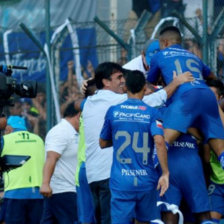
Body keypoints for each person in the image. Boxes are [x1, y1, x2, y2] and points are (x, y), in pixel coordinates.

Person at [82, 61, 193, 224]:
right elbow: (154, 100)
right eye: (119, 77)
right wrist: (176, 82)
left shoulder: (89, 103)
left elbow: (103, 142)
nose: (122, 81)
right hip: (115, 176)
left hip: (93, 175)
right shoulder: (120, 104)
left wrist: (90, 81)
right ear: (106, 81)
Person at [147, 26, 224, 169]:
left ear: (164, 42)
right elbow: (211, 76)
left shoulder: (160, 55)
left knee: (163, 143)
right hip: (207, 94)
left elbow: (150, 83)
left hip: (186, 96)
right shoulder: (193, 56)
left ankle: (154, 174)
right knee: (221, 152)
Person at [99, 70, 169, 224]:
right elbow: (159, 141)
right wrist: (165, 173)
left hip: (121, 180)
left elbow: (102, 143)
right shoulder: (152, 113)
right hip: (146, 179)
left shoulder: (114, 111)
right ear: (145, 87)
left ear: (125, 88)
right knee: (145, 221)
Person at [40, 102, 80, 224]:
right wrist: (45, 183)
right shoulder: (60, 132)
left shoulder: (75, 133)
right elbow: (51, 158)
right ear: (79, 116)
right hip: (64, 192)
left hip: (66, 191)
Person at [1, 115, 45, 224]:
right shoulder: (39, 140)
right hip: (38, 194)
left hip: (15, 193)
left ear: (9, 129)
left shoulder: (5, 140)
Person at [159, 134, 211, 224]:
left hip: (169, 163)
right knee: (203, 214)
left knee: (169, 213)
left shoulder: (160, 121)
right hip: (191, 163)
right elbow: (207, 157)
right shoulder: (196, 121)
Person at [204, 79, 224, 223]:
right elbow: (206, 158)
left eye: (211, 96)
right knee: (210, 220)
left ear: (220, 98)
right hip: (216, 182)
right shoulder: (203, 117)